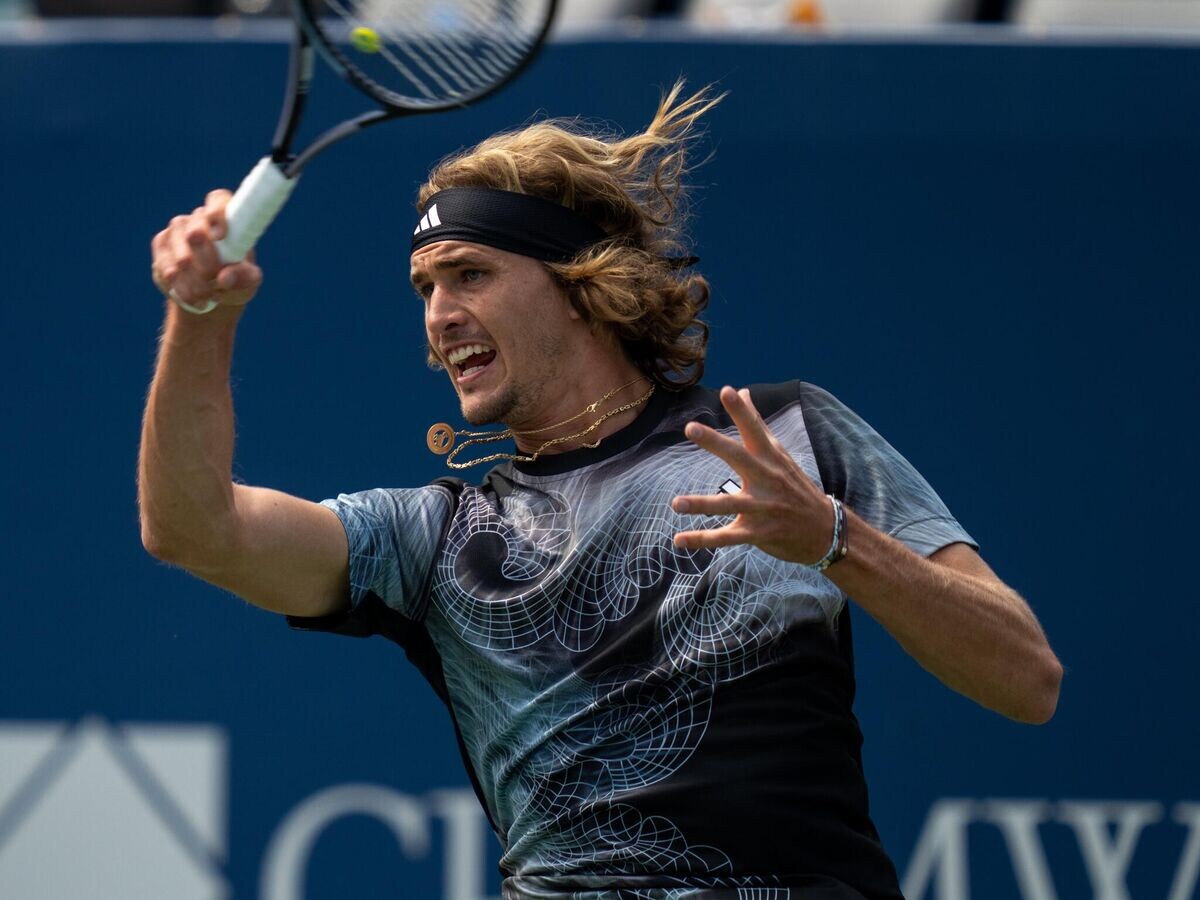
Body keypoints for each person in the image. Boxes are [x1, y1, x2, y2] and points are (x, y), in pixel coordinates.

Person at [140, 82, 1062, 899]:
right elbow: (194, 529)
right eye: (423, 287)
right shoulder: (435, 537)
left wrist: (833, 538)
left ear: (583, 283)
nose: (438, 317)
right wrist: (202, 314)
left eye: (470, 274)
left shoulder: (781, 438)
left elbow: (1026, 680)